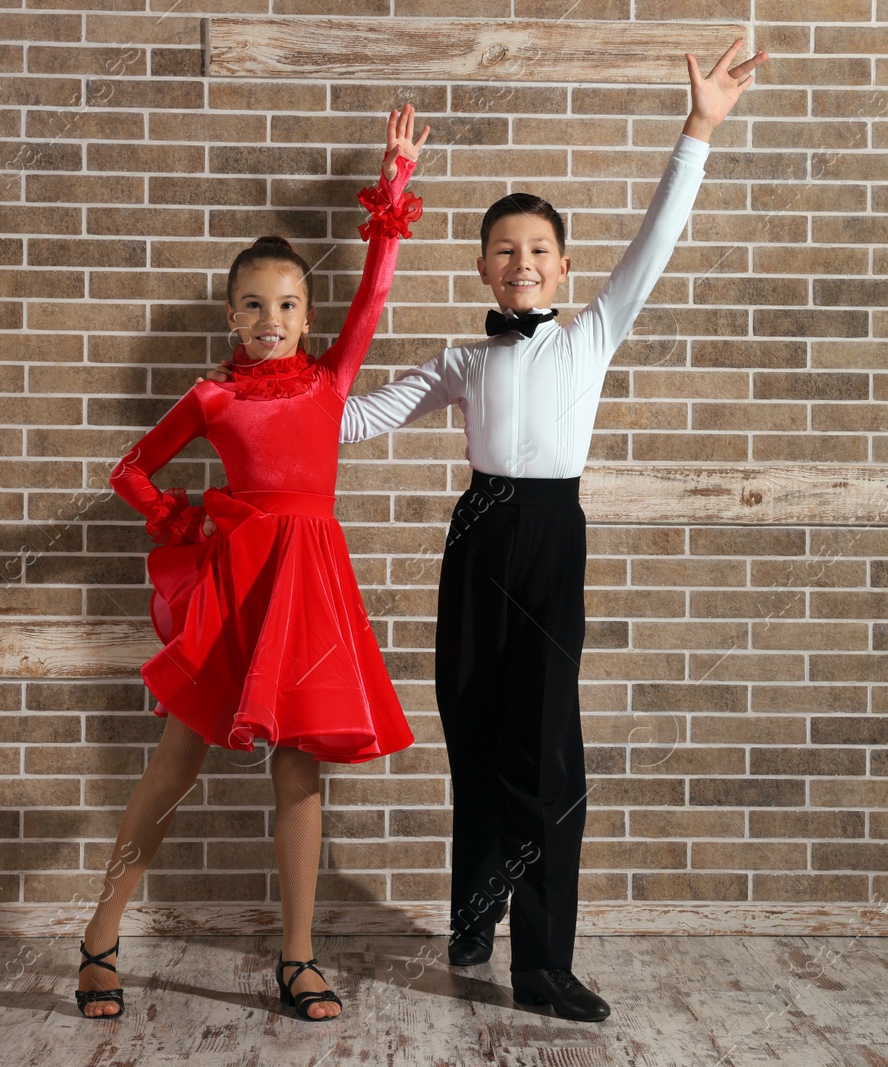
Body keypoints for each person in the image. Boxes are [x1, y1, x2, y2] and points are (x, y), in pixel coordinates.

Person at [330, 45, 766, 1022]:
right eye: (502, 249)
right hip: (475, 535)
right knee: (472, 731)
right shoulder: (457, 358)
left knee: (545, 755)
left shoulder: (593, 332)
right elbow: (353, 417)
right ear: (481, 266)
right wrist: (264, 399)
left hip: (547, 534)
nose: (521, 262)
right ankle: (474, 912)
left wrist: (698, 129)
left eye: (538, 249)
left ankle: (541, 961)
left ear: (563, 266)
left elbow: (659, 235)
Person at [74, 106, 430, 1022]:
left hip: (310, 586)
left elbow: (375, 296)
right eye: (254, 306)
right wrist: (180, 521)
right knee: (175, 761)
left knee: (301, 768)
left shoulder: (331, 379)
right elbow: (130, 469)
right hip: (235, 590)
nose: (272, 319)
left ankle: (299, 958)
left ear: (307, 316)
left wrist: (393, 185)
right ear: (231, 314)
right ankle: (101, 934)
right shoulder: (213, 395)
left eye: (288, 305)